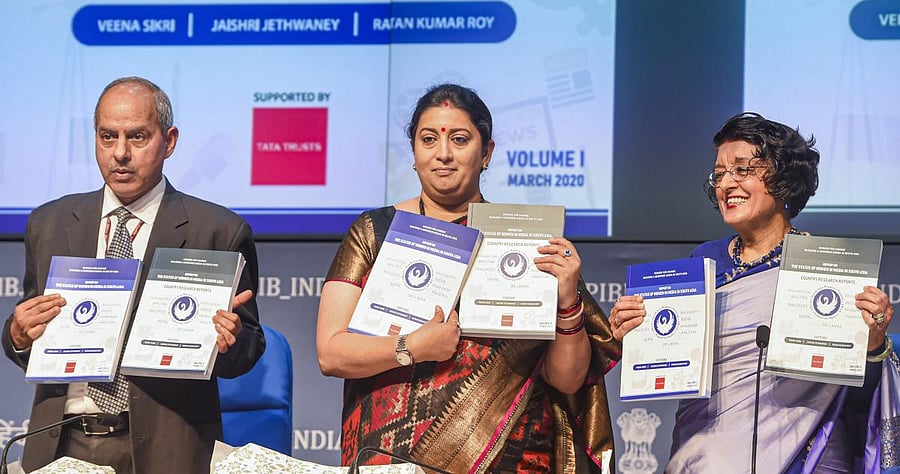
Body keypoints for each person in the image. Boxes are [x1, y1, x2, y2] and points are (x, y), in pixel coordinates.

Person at [316, 83, 621, 473]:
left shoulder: (525, 239)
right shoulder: (374, 232)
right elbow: (331, 352)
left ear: (486, 152)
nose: (443, 154)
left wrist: (566, 303)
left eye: (459, 139)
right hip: (391, 462)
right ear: (414, 152)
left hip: (514, 459)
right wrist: (411, 347)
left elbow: (567, 380)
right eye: (429, 140)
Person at [1, 76, 265, 473]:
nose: (120, 153)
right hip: (61, 443)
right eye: (108, 137)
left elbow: (247, 348)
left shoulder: (217, 230)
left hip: (165, 449)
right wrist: (19, 335)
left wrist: (229, 340)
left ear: (169, 141)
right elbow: (28, 338)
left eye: (137, 137)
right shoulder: (49, 223)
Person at [610, 112, 897, 473]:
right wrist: (634, 334)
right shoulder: (703, 261)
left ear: (783, 178)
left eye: (743, 170)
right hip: (705, 455)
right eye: (719, 173)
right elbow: (670, 363)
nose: (726, 184)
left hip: (807, 457)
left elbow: (855, 395)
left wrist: (872, 343)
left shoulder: (827, 269)